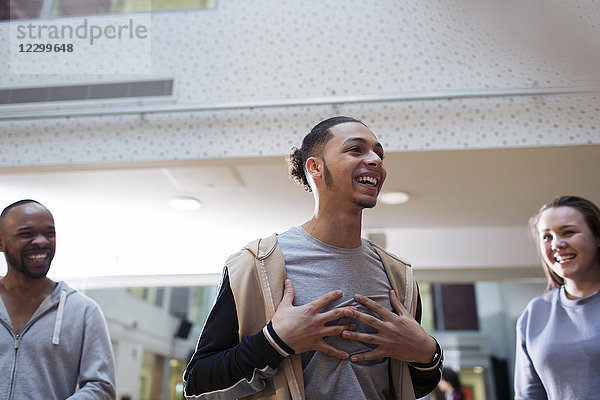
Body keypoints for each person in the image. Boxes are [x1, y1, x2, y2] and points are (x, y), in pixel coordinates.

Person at [184, 116, 442, 399]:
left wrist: (428, 353)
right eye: (356, 149)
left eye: (378, 154)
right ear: (315, 167)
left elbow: (413, 384)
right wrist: (275, 342)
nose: (375, 160)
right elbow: (199, 384)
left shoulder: (398, 277)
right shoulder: (255, 264)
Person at [0, 199, 116, 400]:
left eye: (50, 233)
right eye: (26, 234)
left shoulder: (83, 311)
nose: (42, 241)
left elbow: (101, 387)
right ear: (1, 242)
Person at [514, 195, 600, 400]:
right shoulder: (535, 312)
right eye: (547, 236)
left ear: (597, 237)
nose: (557, 244)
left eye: (568, 232)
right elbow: (528, 396)